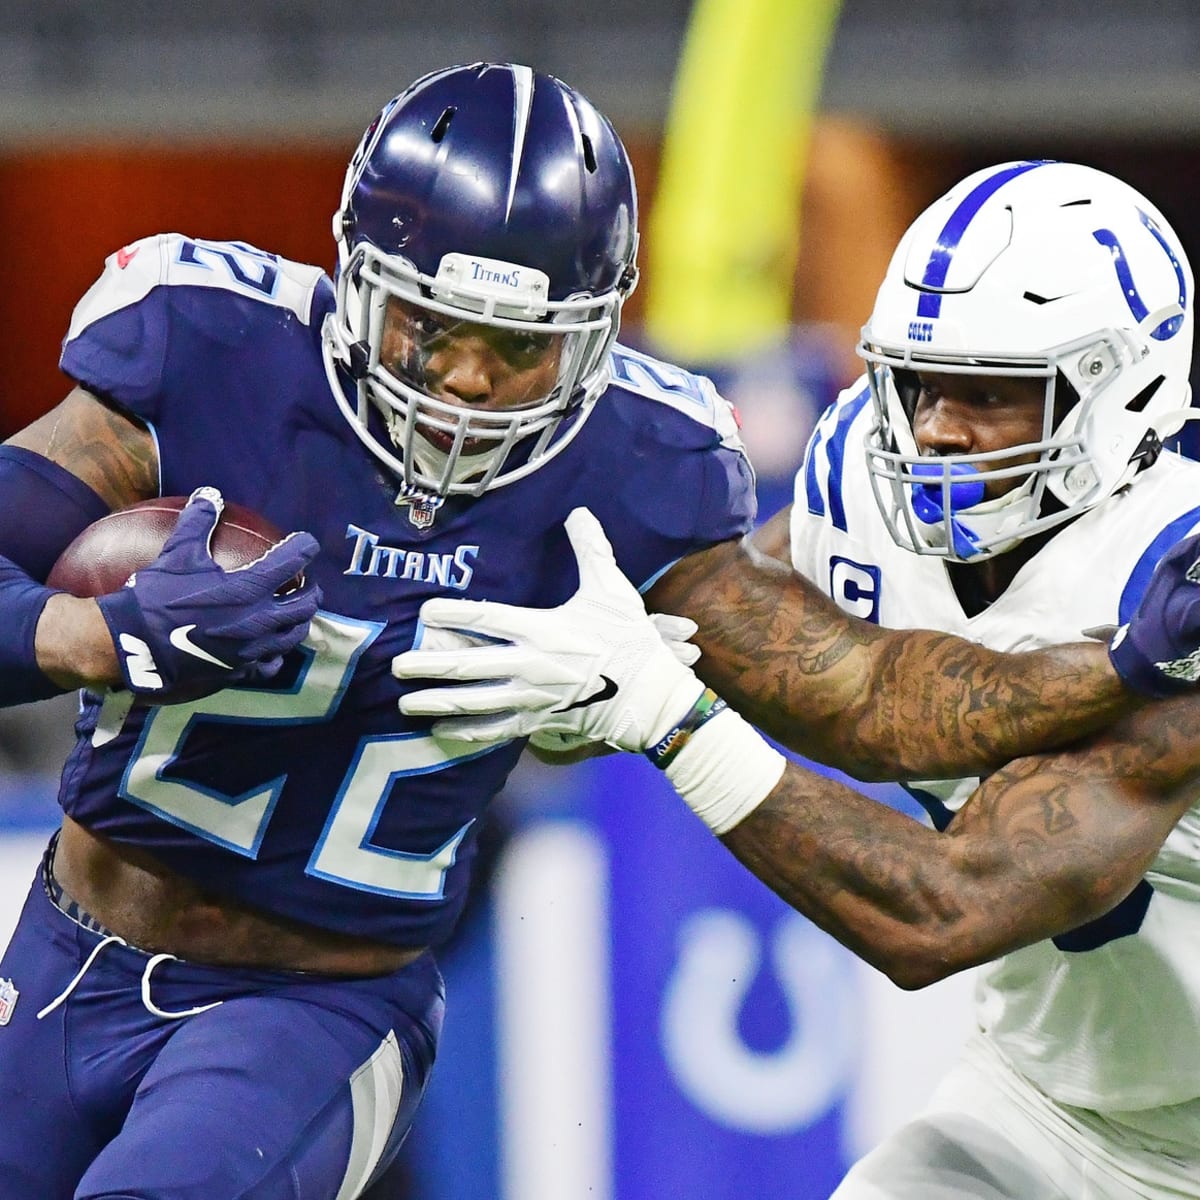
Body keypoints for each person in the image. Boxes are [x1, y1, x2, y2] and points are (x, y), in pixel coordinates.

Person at [0, 76, 1189, 1195]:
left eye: (519, 348)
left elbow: (888, 748)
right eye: (427, 327)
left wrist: (1130, 661)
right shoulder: (210, 344)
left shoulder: (632, 469)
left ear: (594, 336)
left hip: (313, 1002)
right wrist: (88, 636)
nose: (463, 381)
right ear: (355, 277)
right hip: (65, 943)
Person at [393, 161, 1200, 1199]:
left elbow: (945, 910)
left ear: (1125, 392)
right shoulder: (863, 478)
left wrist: (671, 721)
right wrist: (566, 687)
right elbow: (727, 666)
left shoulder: (1171, 573)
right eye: (919, 382)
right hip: (1049, 1101)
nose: (938, 432)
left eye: (993, 394)